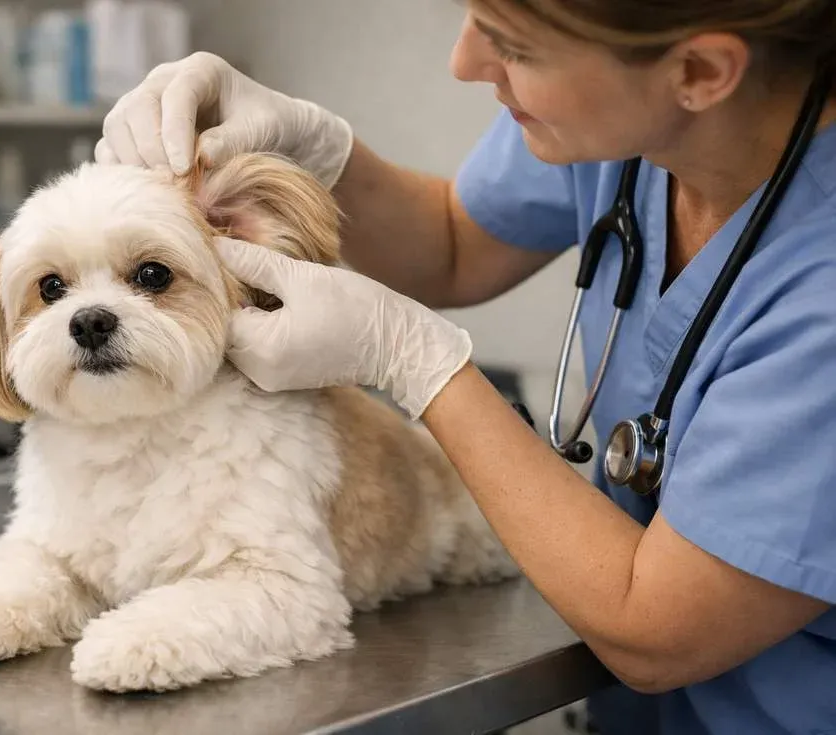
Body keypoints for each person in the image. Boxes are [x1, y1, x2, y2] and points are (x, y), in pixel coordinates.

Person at [93, 1, 836, 733]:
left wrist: (417, 361)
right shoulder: (638, 127)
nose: (466, 63)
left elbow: (655, 631)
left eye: (514, 46)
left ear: (701, 71)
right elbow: (453, 243)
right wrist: (329, 156)